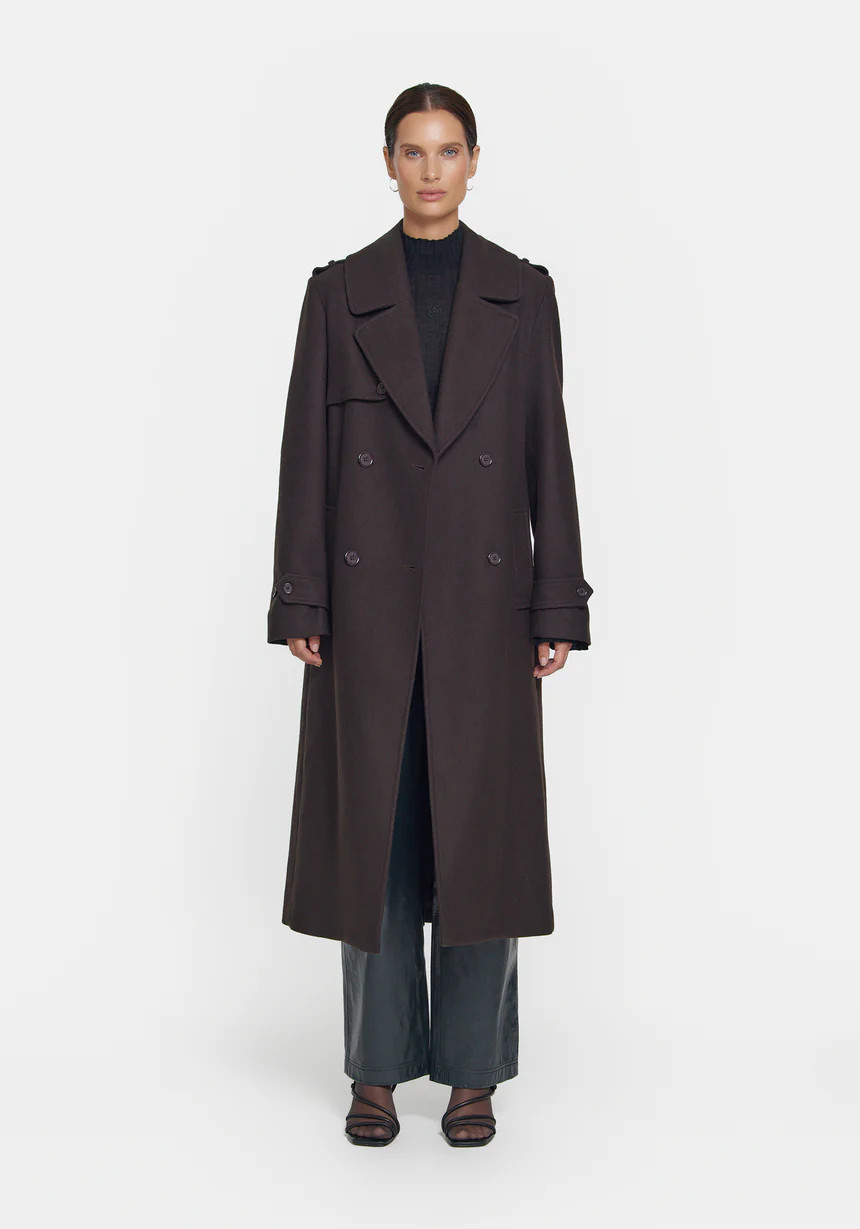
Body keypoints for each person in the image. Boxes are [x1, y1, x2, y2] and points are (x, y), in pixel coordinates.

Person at [267, 83, 593, 1148]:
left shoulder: (523, 292)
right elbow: (306, 456)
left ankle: (472, 1074)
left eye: (448, 151)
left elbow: (546, 448)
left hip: (484, 611)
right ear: (387, 162)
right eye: (412, 152)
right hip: (365, 612)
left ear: (474, 161)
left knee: (477, 845)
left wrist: (555, 599)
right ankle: (374, 1068)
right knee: (375, 838)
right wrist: (303, 594)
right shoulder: (337, 293)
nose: (430, 170)